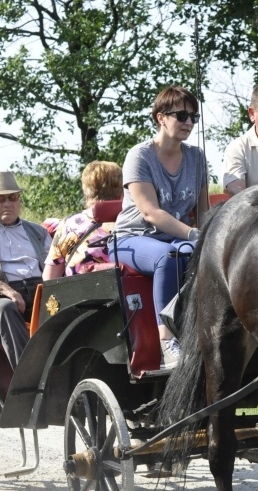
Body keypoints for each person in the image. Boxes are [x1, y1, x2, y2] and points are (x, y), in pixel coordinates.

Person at [110, 85, 208, 369]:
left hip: (176, 239)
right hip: (132, 239)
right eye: (181, 115)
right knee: (170, 257)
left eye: (193, 117)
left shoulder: (197, 158)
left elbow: (203, 212)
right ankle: (168, 343)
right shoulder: (140, 157)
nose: (188, 123)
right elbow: (151, 213)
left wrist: (209, 236)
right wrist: (193, 234)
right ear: (160, 117)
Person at [0, 171, 52, 370]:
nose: (7, 203)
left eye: (12, 197)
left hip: (41, 289)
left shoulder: (38, 232)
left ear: (18, 200)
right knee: (4, 308)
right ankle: (30, 376)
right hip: (0, 292)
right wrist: (0, 287)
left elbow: (55, 264)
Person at [43, 161, 123, 280]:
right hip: (128, 294)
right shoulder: (133, 221)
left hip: (76, 296)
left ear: (86, 191)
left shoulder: (68, 225)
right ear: (121, 189)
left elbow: (49, 278)